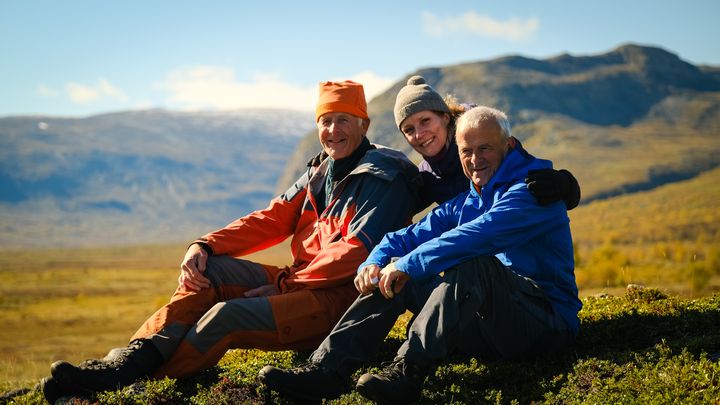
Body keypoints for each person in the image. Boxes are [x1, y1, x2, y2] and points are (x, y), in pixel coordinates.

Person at [40, 80, 421, 403]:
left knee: (227, 316)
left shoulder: (383, 177)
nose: (333, 130)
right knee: (212, 271)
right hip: (298, 283)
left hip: (339, 301)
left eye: (343, 120)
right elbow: (271, 218)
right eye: (325, 121)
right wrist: (204, 246)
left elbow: (353, 254)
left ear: (363, 124)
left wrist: (283, 285)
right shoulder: (321, 170)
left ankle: (142, 386)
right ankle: (124, 364)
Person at [259, 105, 582, 403]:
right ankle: (328, 370)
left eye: (484, 148)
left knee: (472, 264)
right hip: (489, 328)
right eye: (466, 151)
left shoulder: (532, 192)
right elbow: (407, 235)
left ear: (508, 146)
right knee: (399, 273)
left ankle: (407, 373)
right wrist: (375, 262)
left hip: (545, 327)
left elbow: (476, 236)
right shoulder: (468, 199)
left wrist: (408, 264)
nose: (474, 159)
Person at [395, 75, 580, 210]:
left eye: (425, 121)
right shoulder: (426, 177)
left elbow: (531, 173)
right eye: (409, 130)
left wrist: (565, 184)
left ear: (445, 117)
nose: (419, 134)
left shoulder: (488, 135)